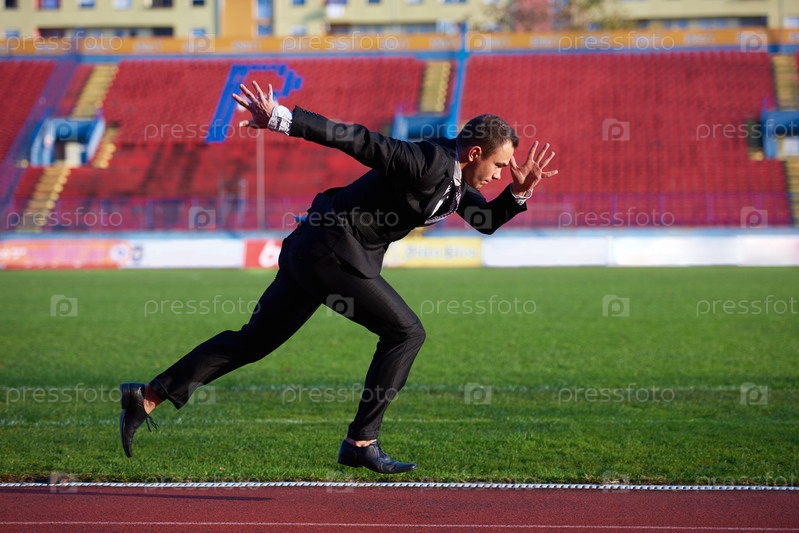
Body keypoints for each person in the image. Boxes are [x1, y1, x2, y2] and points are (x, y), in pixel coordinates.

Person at [120, 81, 558, 474]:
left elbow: (484, 220)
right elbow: (359, 140)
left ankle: (147, 397)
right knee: (406, 333)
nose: (501, 173)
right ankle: (361, 442)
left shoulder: (458, 184)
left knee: (253, 342)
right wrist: (281, 118)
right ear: (475, 153)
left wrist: (519, 192)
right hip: (331, 250)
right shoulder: (428, 160)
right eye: (500, 165)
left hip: (314, 249)